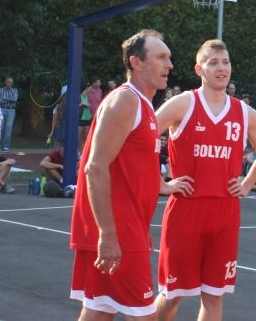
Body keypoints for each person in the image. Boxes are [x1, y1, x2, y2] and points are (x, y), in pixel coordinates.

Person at [70, 29, 192, 320]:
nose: (169, 65)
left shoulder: (144, 105)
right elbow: (95, 167)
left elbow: (133, 165)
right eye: (161, 57)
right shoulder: (125, 101)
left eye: (169, 58)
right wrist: (109, 234)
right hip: (117, 230)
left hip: (126, 227)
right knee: (143, 315)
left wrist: (161, 186)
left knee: (100, 311)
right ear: (136, 63)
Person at [153, 39, 256, 321]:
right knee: (173, 294)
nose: (221, 68)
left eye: (226, 62)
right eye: (214, 62)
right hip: (187, 209)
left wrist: (247, 183)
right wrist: (161, 183)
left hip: (225, 211)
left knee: (214, 295)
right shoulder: (183, 103)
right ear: (199, 69)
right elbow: (141, 137)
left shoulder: (244, 112)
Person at [0, 77, 18, 152]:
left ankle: (5, 146)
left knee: (8, 128)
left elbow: (14, 100)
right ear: (5, 82)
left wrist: (4, 98)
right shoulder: (0, 90)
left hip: (11, 110)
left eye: (11, 83)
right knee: (0, 128)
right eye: (9, 82)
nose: (10, 84)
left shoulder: (15, 90)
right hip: (1, 109)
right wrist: (9, 100)